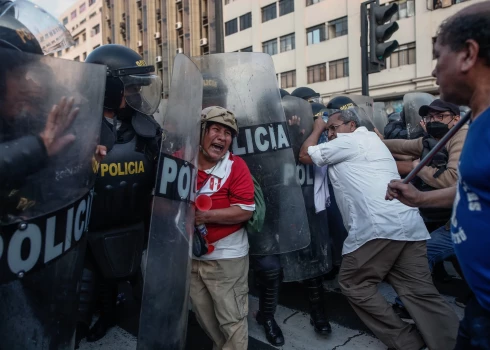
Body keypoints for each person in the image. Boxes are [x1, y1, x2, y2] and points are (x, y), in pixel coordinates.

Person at [298, 106, 459, 350]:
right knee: (420, 293)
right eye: (328, 129)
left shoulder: (350, 140)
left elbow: (305, 155)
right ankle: (453, 343)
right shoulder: (372, 140)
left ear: (351, 126)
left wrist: (317, 127)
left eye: (334, 127)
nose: (330, 133)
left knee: (354, 283)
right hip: (407, 226)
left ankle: (407, 340)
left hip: (378, 227)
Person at [0, 0, 107, 348]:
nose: (29, 84)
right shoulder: (31, 139)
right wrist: (39, 146)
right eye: (18, 74)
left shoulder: (21, 127)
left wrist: (80, 157)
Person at [386, 2, 490, 348]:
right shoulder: (475, 121)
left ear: (468, 55)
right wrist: (421, 198)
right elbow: (472, 190)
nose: (433, 71)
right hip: (480, 308)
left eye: (437, 56)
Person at [76, 44, 163, 343]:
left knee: (124, 288)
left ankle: (112, 314)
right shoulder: (78, 127)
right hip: (89, 231)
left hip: (134, 224)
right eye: (130, 87)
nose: (136, 94)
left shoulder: (144, 126)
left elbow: (168, 162)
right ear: (109, 87)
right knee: (82, 300)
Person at [382, 99, 469, 317]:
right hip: (452, 215)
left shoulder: (461, 136)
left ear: (456, 119)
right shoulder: (436, 139)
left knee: (423, 255)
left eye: (440, 116)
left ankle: (406, 307)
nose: (433, 121)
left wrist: (417, 168)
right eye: (430, 117)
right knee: (459, 255)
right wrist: (374, 141)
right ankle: (475, 293)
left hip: (464, 217)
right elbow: (403, 146)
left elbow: (452, 179)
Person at [190, 106, 254, 350]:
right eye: (215, 129)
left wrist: (205, 216)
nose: (222, 137)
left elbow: (245, 210)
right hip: (190, 256)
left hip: (226, 259)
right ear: (199, 132)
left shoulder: (236, 167)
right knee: (204, 317)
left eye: (227, 133)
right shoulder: (180, 160)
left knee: (232, 321)